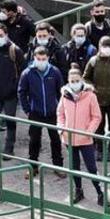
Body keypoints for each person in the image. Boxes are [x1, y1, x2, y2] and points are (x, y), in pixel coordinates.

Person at [57, 68, 104, 206]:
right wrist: (61, 128)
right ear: (68, 82)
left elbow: (96, 116)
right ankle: (78, 190)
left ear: (82, 80)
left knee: (91, 167)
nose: (75, 83)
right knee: (74, 166)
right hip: (69, 138)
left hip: (85, 139)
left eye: (77, 81)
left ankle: (100, 192)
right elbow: (60, 113)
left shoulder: (90, 96)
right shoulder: (65, 96)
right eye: (72, 81)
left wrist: (88, 132)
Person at [18, 47, 66, 176]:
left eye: (43, 59)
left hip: (52, 112)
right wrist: (28, 110)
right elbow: (22, 92)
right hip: (36, 113)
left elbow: (61, 92)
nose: (41, 61)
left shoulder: (55, 72)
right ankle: (32, 166)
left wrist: (61, 110)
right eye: (38, 59)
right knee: (34, 140)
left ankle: (58, 166)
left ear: (48, 58)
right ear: (34, 58)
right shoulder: (27, 73)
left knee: (55, 140)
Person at [0, 23, 24, 160]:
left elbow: (22, 72)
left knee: (10, 121)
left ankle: (9, 148)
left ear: (6, 35)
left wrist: (14, 88)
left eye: (1, 35)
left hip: (11, 95)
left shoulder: (15, 51)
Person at [84, 35, 110, 161]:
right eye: (104, 46)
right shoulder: (93, 61)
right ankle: (100, 148)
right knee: (99, 125)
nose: (107, 48)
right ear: (99, 47)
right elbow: (85, 77)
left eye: (109, 46)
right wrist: (93, 88)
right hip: (97, 100)